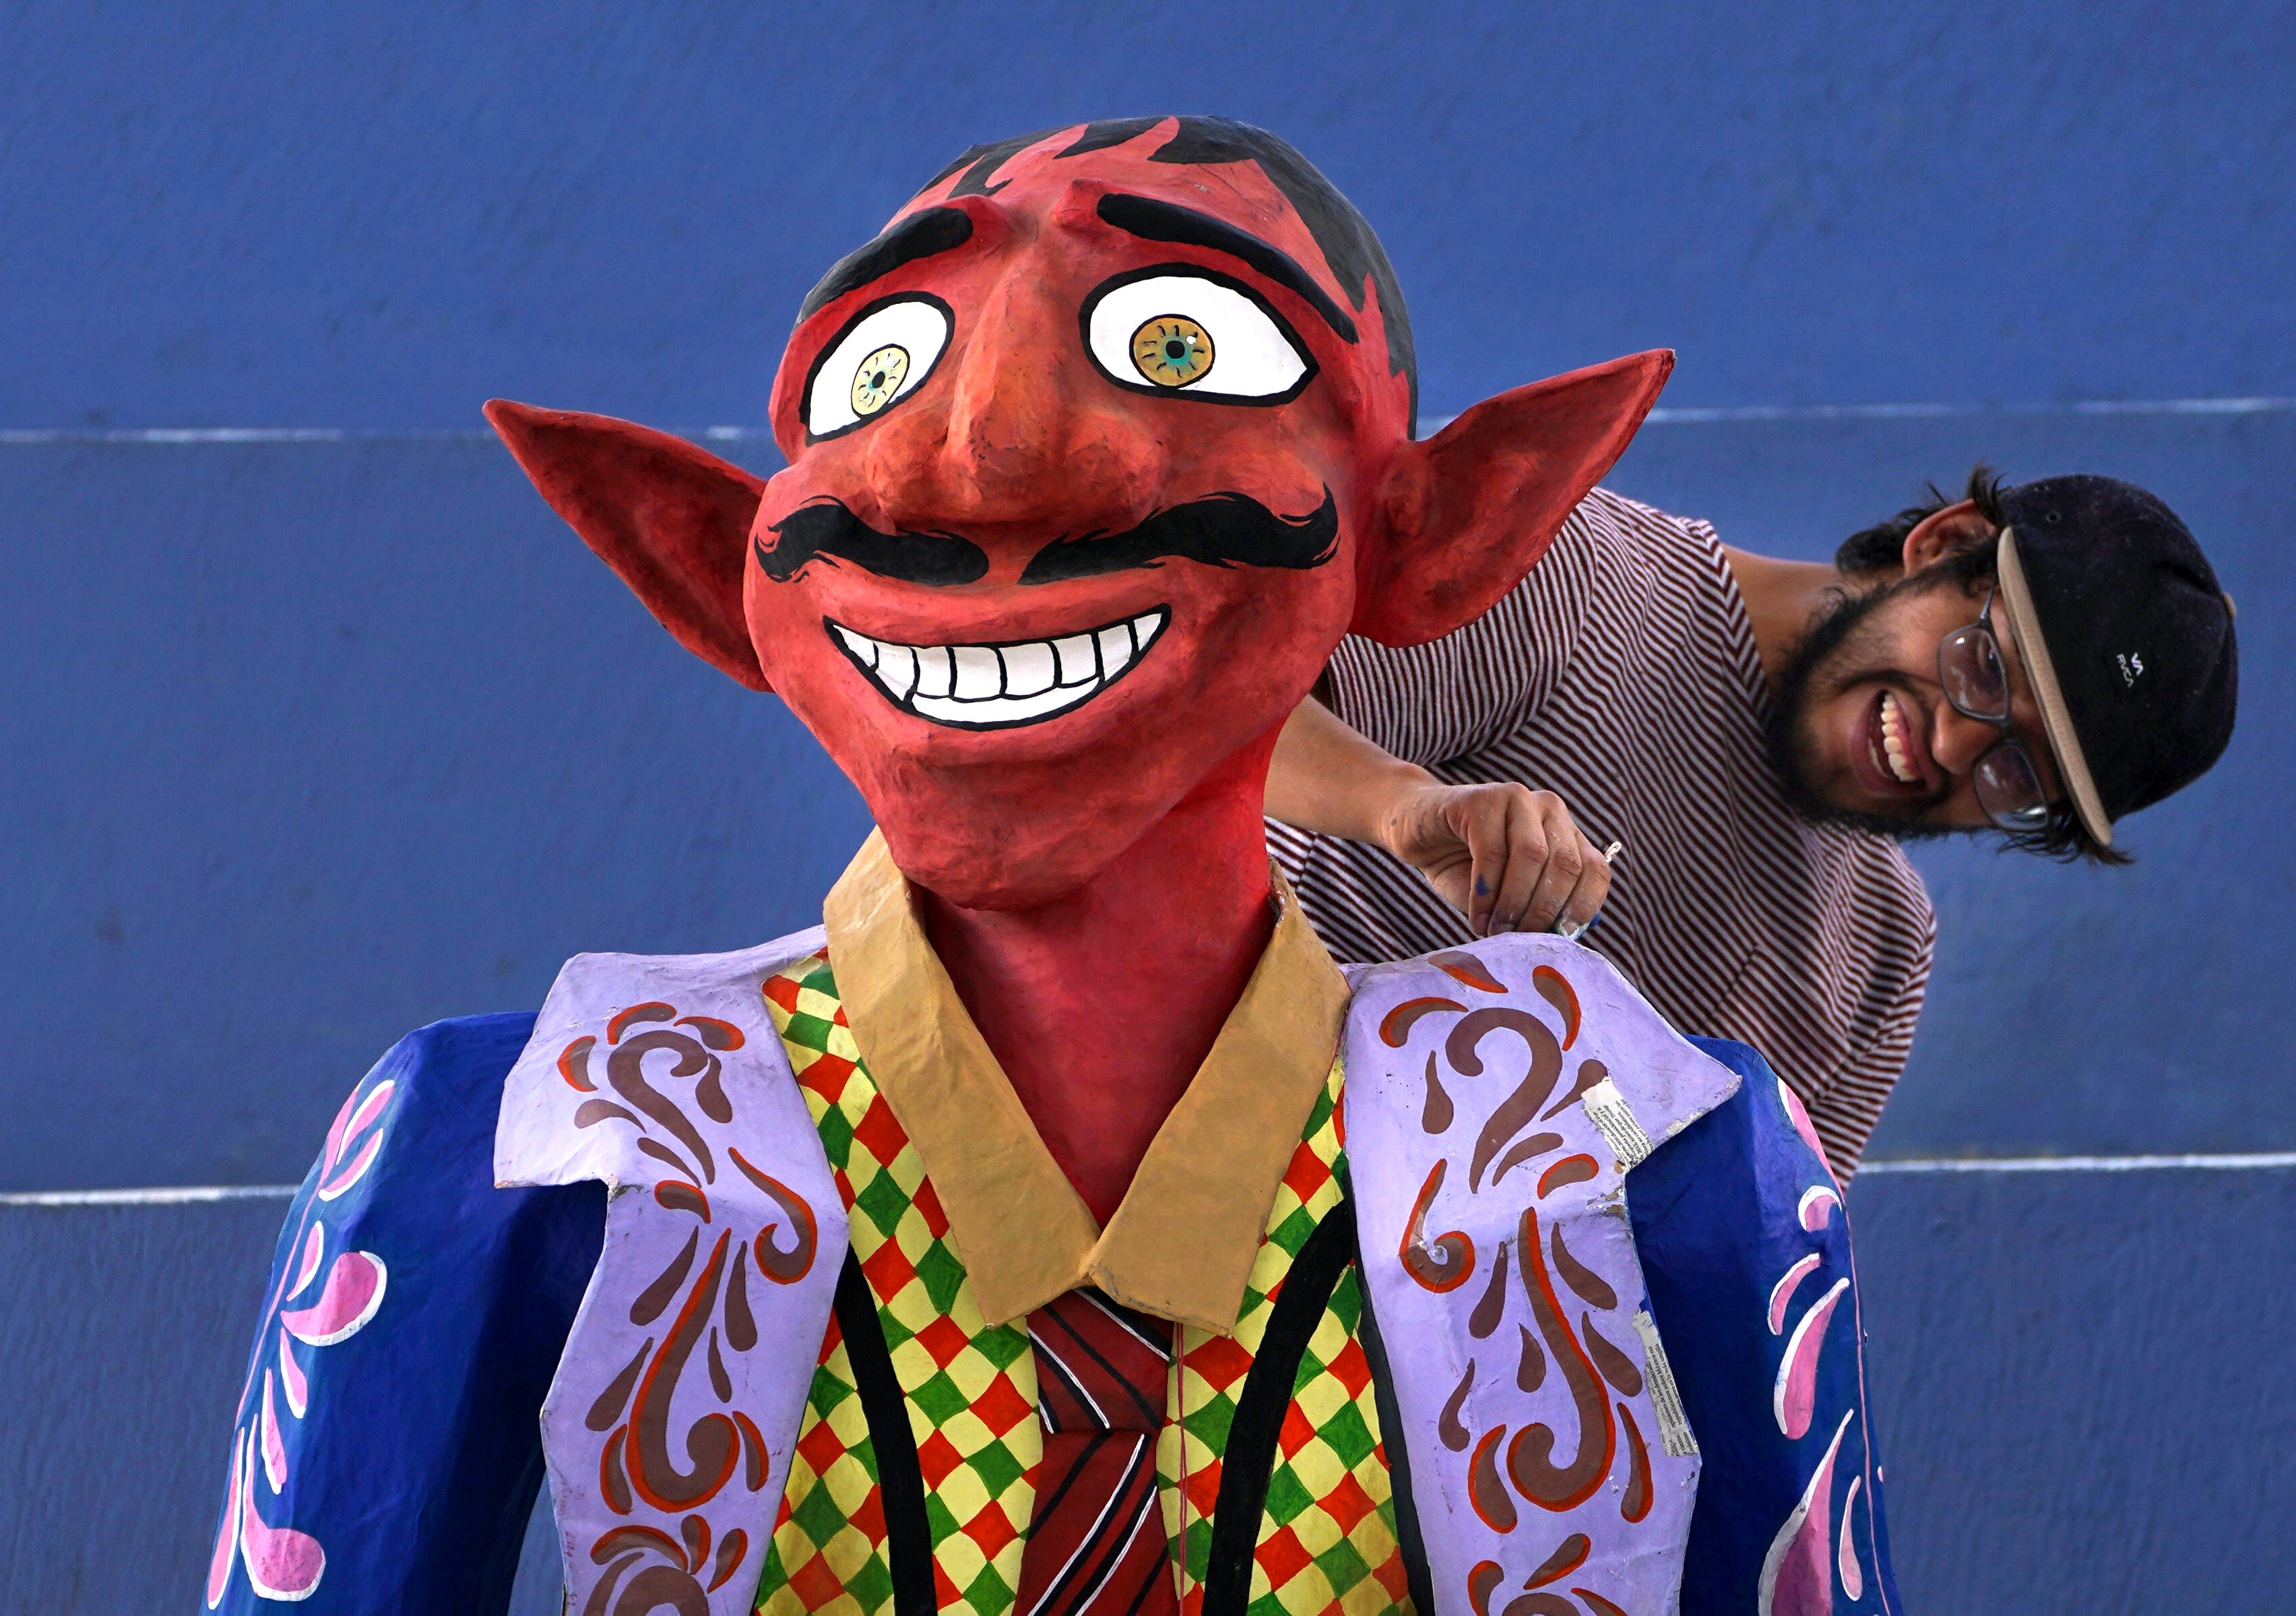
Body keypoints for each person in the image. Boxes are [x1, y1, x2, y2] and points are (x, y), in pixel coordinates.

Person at [198, 115, 1909, 1616]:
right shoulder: (518, 1143)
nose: (983, 456)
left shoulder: (1651, 1164)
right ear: (711, 567)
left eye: (1182, 345)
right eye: (882, 370)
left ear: (1441, 530)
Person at [1267, 469, 2239, 1172]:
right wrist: (1404, 805)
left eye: (2015, 767)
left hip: (1362, 1384)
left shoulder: (1884, 953)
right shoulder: (1584, 579)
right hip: (1195, 1162)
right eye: (1984, 666)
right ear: (1944, 545)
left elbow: (1755, 1292)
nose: (1952, 743)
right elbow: (1222, 711)